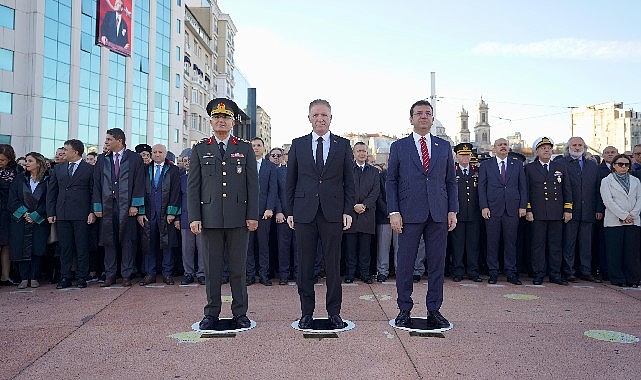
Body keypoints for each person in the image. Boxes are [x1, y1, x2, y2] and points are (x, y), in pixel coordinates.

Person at [188, 98, 259, 330]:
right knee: (212, 270)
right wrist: (195, 217)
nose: (221, 121)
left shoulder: (245, 147)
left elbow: (252, 186)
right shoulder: (200, 148)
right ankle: (211, 313)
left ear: (232, 122)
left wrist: (252, 215)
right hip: (210, 218)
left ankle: (240, 313)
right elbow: (193, 186)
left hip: (239, 218)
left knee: (238, 269)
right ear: (210, 121)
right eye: (217, 117)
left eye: (226, 118)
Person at [387, 99, 457, 329]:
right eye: (419, 113)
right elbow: (392, 181)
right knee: (405, 264)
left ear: (433, 118)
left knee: (437, 264)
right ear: (411, 119)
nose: (423, 116)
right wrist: (394, 211)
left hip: (438, 213)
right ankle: (404, 309)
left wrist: (452, 210)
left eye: (428, 113)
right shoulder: (399, 147)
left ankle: (434, 309)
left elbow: (450, 181)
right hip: (408, 214)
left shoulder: (444, 147)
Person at [286, 99, 355, 330]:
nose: (320, 119)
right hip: (304, 213)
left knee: (333, 266)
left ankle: (334, 312)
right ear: (309, 118)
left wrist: (347, 210)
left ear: (331, 118)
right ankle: (307, 312)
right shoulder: (298, 144)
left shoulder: (343, 145)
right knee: (305, 266)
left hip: (333, 212)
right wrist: (290, 211)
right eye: (315, 115)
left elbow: (349, 182)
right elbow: (291, 181)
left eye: (324, 115)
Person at [93, 128, 145, 287]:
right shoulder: (102, 159)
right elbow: (96, 184)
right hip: (108, 206)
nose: (106, 142)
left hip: (127, 206)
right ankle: (110, 275)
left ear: (119, 140)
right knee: (109, 240)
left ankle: (127, 274)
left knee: (127, 241)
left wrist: (135, 205)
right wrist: (97, 206)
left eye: (109, 139)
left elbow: (139, 182)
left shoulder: (134, 158)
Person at [47, 139, 96, 289]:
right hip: (62, 213)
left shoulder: (89, 169)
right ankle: (65, 277)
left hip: (82, 214)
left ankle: (82, 277)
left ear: (75, 152)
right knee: (65, 247)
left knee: (82, 247)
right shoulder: (59, 169)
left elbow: (94, 192)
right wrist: (51, 212)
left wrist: (92, 211)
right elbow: (52, 192)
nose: (63, 152)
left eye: (66, 150)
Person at [478, 138, 528, 285]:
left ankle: (511, 272)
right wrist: (484, 206)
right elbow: (482, 187)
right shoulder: (486, 165)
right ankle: (493, 272)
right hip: (492, 209)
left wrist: (523, 206)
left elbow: (522, 187)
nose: (503, 147)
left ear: (509, 147)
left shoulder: (517, 164)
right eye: (500, 145)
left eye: (505, 145)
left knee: (511, 242)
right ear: (494, 148)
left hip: (512, 209)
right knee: (492, 242)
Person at [525, 137, 573, 285]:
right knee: (538, 245)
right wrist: (528, 210)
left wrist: (567, 209)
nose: (547, 150)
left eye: (549, 148)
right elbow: (526, 190)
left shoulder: (560, 167)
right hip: (537, 213)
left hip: (556, 213)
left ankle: (555, 274)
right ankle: (538, 274)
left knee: (556, 245)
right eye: (543, 148)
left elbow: (567, 189)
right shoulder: (529, 168)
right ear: (537, 151)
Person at [559, 137, 601, 282]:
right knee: (569, 243)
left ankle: (586, 270)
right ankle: (568, 270)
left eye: (580, 145)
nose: (577, 147)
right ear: (568, 147)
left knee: (586, 244)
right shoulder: (561, 163)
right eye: (574, 145)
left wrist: (598, 209)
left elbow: (597, 189)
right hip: (570, 211)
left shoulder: (592, 165)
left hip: (588, 211)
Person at [138, 144, 181, 286]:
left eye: (160, 152)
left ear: (165, 153)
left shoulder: (173, 170)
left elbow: (175, 191)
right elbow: (140, 191)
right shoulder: (145, 169)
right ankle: (150, 273)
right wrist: (141, 211)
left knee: (167, 243)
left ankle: (167, 273)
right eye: (154, 152)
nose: (157, 154)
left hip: (165, 212)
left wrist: (171, 212)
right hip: (149, 212)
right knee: (149, 243)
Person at [8, 152, 51, 289]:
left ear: (38, 163)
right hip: (20, 219)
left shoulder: (47, 180)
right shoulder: (19, 179)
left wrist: (36, 215)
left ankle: (34, 277)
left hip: (39, 220)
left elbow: (48, 200)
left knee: (37, 249)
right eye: (26, 160)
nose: (26, 163)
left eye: (30, 161)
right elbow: (12, 200)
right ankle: (24, 278)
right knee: (21, 248)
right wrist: (25, 213)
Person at [600, 154, 641, 287]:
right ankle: (618, 278)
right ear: (614, 166)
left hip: (633, 221)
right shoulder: (606, 181)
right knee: (615, 252)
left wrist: (632, 215)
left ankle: (633, 279)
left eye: (626, 164)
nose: (624, 167)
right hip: (614, 221)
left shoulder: (636, 181)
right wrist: (623, 215)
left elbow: (639, 199)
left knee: (632, 252)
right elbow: (608, 201)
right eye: (620, 164)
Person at [343, 142, 379, 284]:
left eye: (364, 151)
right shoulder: (346, 170)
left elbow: (375, 192)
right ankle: (350, 274)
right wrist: (353, 206)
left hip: (367, 213)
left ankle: (365, 274)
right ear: (354, 153)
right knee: (350, 247)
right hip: (350, 214)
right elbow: (343, 189)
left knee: (365, 248)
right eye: (359, 151)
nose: (362, 153)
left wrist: (364, 205)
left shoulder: (374, 171)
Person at [246, 137, 278, 286]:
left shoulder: (269, 166)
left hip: (264, 212)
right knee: (248, 246)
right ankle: (250, 275)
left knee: (263, 245)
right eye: (253, 145)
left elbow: (273, 189)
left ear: (264, 148)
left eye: (259, 145)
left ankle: (264, 275)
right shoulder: (244, 164)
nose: (256, 148)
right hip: (247, 212)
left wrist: (270, 208)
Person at [450, 143, 482, 282]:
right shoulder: (452, 171)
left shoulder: (476, 171)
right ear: (457, 156)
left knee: (473, 244)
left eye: (467, 155)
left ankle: (473, 271)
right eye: (462, 155)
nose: (465, 157)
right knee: (457, 245)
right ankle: (458, 271)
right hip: (458, 214)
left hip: (474, 214)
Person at [177, 150, 205, 286]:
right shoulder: (180, 178)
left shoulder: (204, 177)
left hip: (201, 218)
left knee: (202, 248)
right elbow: (176, 198)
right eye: (185, 160)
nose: (188, 163)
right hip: (185, 217)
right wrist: (177, 217)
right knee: (187, 249)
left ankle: (202, 274)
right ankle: (188, 273)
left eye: (190, 160)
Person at [0, 144, 20, 286]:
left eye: (3, 160)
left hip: (8, 212)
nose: (0, 162)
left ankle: (5, 276)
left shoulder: (17, 171)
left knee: (6, 245)